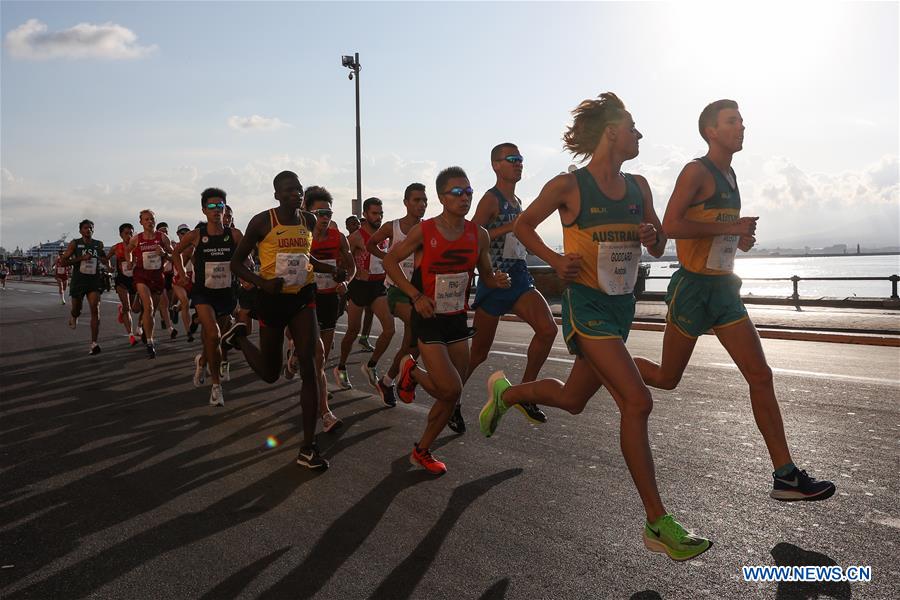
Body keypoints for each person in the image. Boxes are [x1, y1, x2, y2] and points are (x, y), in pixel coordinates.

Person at [478, 93, 711, 561]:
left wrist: (652, 236)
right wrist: (554, 260)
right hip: (586, 308)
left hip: (620, 310)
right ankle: (657, 522)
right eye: (633, 127)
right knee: (637, 401)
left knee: (572, 399)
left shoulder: (639, 186)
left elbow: (658, 243)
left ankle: (507, 393)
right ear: (611, 131)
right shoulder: (570, 185)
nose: (639, 135)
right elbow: (524, 226)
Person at [632, 99, 835, 503]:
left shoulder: (731, 175)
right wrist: (730, 226)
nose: (741, 126)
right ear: (711, 131)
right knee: (668, 378)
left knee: (760, 375)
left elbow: (713, 230)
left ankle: (785, 476)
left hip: (724, 288)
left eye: (742, 120)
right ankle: (611, 367)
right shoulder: (696, 170)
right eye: (732, 121)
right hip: (693, 289)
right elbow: (671, 225)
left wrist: (739, 238)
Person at [384, 166, 511, 475]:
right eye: (457, 192)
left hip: (456, 318)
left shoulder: (478, 235)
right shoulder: (425, 231)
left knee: (453, 394)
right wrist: (415, 295)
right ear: (442, 197)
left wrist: (496, 280)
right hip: (428, 316)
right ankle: (412, 372)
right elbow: (390, 261)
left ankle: (421, 451)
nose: (465, 197)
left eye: (468, 192)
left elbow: (485, 275)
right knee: (451, 389)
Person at [223, 170, 347, 470]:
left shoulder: (308, 220)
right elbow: (236, 264)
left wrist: (331, 270)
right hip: (272, 299)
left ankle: (308, 448)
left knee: (310, 366)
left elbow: (305, 258)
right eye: (289, 190)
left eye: (299, 189)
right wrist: (261, 283)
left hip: (303, 297)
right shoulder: (262, 221)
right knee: (270, 373)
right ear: (277, 195)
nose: (296, 193)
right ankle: (239, 337)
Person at [461, 142, 556, 433]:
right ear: (496, 165)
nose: (518, 163)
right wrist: (509, 228)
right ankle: (451, 397)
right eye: (512, 159)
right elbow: (473, 236)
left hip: (519, 276)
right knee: (478, 354)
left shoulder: (517, 201)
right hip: (495, 279)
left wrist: (556, 258)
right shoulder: (491, 199)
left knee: (548, 329)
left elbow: (524, 237)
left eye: (520, 159)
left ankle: (524, 392)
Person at [174, 189, 241, 407]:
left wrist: (247, 275)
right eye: (211, 206)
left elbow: (245, 259)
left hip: (226, 293)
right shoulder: (196, 235)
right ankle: (216, 387)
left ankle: (202, 361)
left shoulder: (234, 235)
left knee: (215, 340)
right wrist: (182, 274)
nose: (216, 210)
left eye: (220, 205)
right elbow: (176, 253)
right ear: (204, 210)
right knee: (213, 334)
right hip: (203, 293)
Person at [365, 182, 428, 407]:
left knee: (412, 345)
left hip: (418, 290)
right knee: (420, 327)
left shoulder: (427, 228)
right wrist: (388, 259)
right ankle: (407, 377)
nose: (422, 204)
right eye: (417, 200)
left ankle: (387, 381)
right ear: (406, 202)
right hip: (396, 291)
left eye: (424, 200)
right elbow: (370, 244)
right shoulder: (393, 227)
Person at [305, 186, 356, 432]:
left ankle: (312, 380)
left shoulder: (339, 237)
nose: (325, 218)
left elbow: (351, 266)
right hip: (306, 297)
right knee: (317, 353)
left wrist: (346, 282)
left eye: (328, 213)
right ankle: (325, 412)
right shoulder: (302, 236)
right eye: (320, 213)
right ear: (308, 213)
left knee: (321, 356)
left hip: (329, 299)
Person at [334, 198, 396, 396]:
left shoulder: (384, 235)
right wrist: (353, 270)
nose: (378, 217)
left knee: (390, 329)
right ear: (365, 214)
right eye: (374, 213)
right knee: (353, 330)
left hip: (378, 287)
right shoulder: (355, 237)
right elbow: (341, 259)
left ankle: (371, 365)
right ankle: (341, 367)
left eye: (380, 213)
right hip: (359, 287)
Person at [127, 209, 174, 358]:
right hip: (142, 276)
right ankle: (150, 342)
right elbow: (128, 250)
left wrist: (164, 254)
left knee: (151, 312)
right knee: (149, 306)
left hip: (157, 277)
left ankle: (146, 333)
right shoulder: (137, 239)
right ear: (141, 222)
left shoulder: (162, 237)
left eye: (152, 219)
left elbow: (174, 256)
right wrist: (130, 261)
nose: (150, 222)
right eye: (146, 219)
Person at [62, 219, 108, 355]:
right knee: (77, 309)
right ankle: (74, 315)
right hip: (79, 281)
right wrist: (80, 259)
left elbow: (104, 259)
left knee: (95, 309)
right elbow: (63, 262)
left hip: (94, 281)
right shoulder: (75, 243)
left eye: (91, 228)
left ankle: (94, 343)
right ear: (80, 230)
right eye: (86, 228)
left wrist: (107, 263)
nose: (89, 230)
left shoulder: (98, 244)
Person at [345, 214, 376, 351]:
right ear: (347, 227)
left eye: (357, 223)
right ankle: (328, 332)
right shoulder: (347, 240)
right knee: (342, 311)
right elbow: (343, 261)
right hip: (350, 281)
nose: (356, 225)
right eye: (352, 224)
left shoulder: (364, 238)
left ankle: (364, 337)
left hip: (365, 281)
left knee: (370, 310)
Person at [108, 223, 139, 346]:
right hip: (121, 280)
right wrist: (109, 267)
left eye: (131, 233)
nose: (129, 236)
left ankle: (121, 310)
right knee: (127, 308)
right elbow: (107, 258)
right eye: (126, 233)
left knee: (135, 309)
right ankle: (131, 335)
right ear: (120, 235)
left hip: (134, 281)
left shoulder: (137, 246)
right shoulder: (116, 247)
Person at [171, 224, 196, 342]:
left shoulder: (194, 246)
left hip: (191, 278)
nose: (184, 234)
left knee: (188, 302)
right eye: (182, 233)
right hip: (178, 279)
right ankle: (188, 332)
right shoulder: (175, 247)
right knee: (185, 302)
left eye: (187, 232)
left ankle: (176, 309)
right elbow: (171, 257)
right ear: (178, 234)